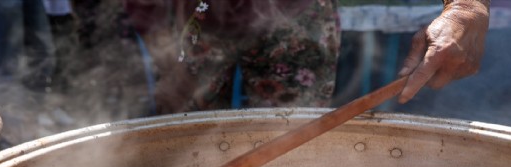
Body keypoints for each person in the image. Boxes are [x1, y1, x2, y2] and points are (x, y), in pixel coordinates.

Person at [126, 0, 490, 114]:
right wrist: (162, 44)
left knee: (285, 142)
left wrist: (466, 8)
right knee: (180, 137)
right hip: (188, 15)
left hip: (298, 14)